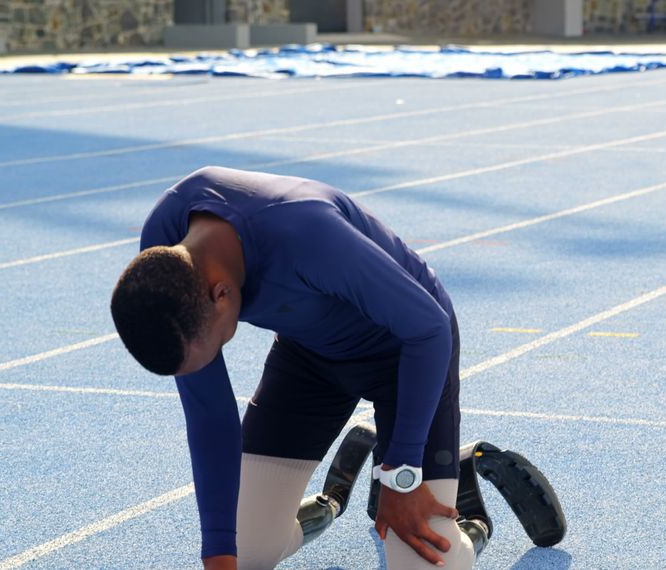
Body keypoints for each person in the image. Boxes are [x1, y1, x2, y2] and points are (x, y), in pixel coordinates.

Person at [109, 166, 489, 570]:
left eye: (219, 342)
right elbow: (209, 414)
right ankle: (331, 502)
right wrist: (218, 555)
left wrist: (403, 473)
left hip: (406, 355)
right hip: (310, 357)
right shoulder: (166, 250)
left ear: (221, 293)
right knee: (246, 553)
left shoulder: (304, 233)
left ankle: (471, 519)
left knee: (424, 562)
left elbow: (429, 328)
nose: (214, 357)